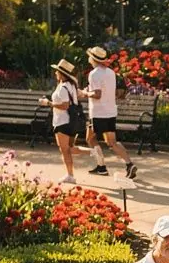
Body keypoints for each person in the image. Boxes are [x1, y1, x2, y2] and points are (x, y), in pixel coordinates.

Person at [79, 45, 137, 181]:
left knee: (90, 139)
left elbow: (97, 94)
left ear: (93, 59)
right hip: (110, 111)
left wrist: (84, 93)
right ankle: (129, 163)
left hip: (98, 113)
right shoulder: (110, 72)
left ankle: (102, 166)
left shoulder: (94, 74)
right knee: (112, 142)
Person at [39, 58, 82, 186]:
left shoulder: (63, 87)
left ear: (62, 74)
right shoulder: (71, 85)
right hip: (71, 121)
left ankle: (70, 175)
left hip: (62, 121)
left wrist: (48, 103)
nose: (55, 73)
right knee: (69, 148)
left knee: (65, 150)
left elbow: (64, 105)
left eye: (57, 71)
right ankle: (93, 152)